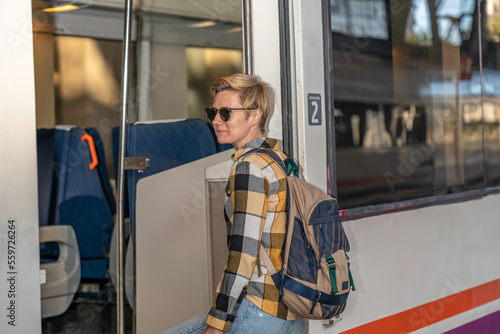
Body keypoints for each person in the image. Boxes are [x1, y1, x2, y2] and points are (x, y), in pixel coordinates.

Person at [162, 73, 304, 334]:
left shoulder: (249, 168)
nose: (216, 121)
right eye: (212, 112)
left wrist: (217, 323)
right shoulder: (281, 160)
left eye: (226, 113)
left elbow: (243, 255)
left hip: (258, 311)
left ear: (255, 115)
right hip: (290, 309)